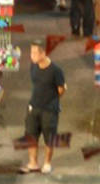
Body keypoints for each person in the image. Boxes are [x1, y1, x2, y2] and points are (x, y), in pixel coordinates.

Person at [21, 41, 67, 173]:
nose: (32, 56)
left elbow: (61, 89)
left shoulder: (56, 71)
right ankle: (33, 163)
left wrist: (51, 100)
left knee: (49, 137)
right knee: (31, 135)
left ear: (44, 53)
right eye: (31, 52)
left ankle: (47, 163)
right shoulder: (33, 67)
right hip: (33, 106)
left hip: (50, 110)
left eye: (35, 53)